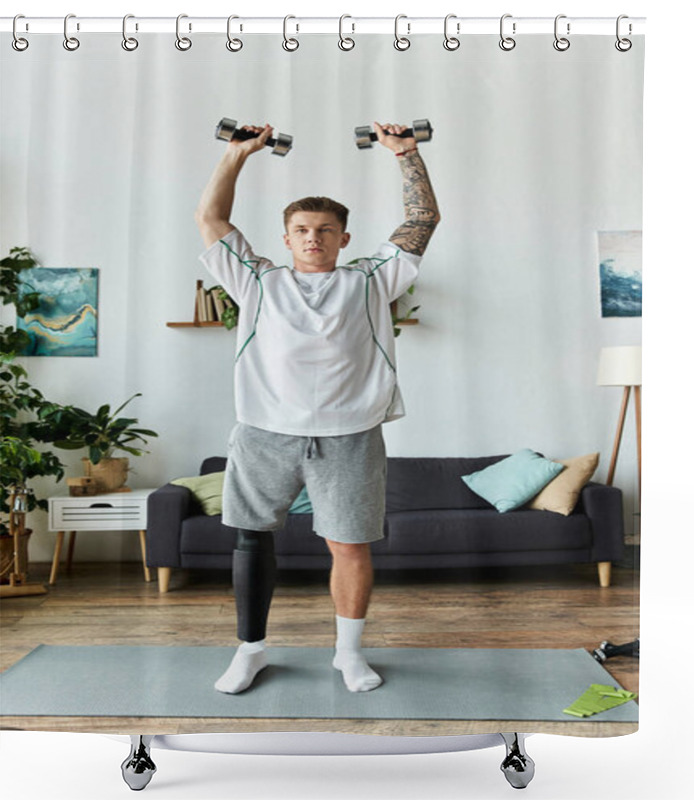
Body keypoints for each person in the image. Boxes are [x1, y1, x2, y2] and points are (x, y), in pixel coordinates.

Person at [195, 121, 440, 694]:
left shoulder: (373, 280)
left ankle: (348, 655)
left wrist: (405, 153)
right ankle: (250, 651)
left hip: (350, 432)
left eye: (325, 230)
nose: (313, 238)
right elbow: (211, 220)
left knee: (349, 544)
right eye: (302, 230)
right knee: (251, 537)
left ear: (343, 239)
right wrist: (237, 154)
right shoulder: (256, 280)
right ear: (286, 238)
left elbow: (421, 221)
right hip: (262, 430)